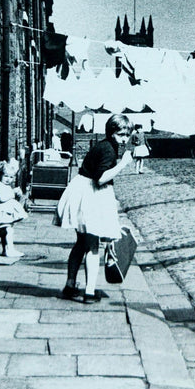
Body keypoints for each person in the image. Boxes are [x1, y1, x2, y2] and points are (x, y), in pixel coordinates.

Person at [56, 114, 133, 303]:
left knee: (81, 243)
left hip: (84, 192)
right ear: (111, 132)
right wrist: (123, 164)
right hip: (91, 195)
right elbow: (101, 178)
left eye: (127, 135)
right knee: (92, 245)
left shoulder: (107, 145)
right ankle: (89, 292)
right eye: (120, 134)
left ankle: (70, 284)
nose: (124, 139)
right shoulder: (108, 149)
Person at [0, 158, 28, 258]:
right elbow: (2, 198)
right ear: (0, 175)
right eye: (5, 176)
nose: (8, 179)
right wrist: (13, 192)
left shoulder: (6, 186)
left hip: (6, 214)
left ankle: (8, 248)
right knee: (7, 231)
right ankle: (8, 249)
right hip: (1, 214)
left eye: (11, 177)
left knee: (8, 230)